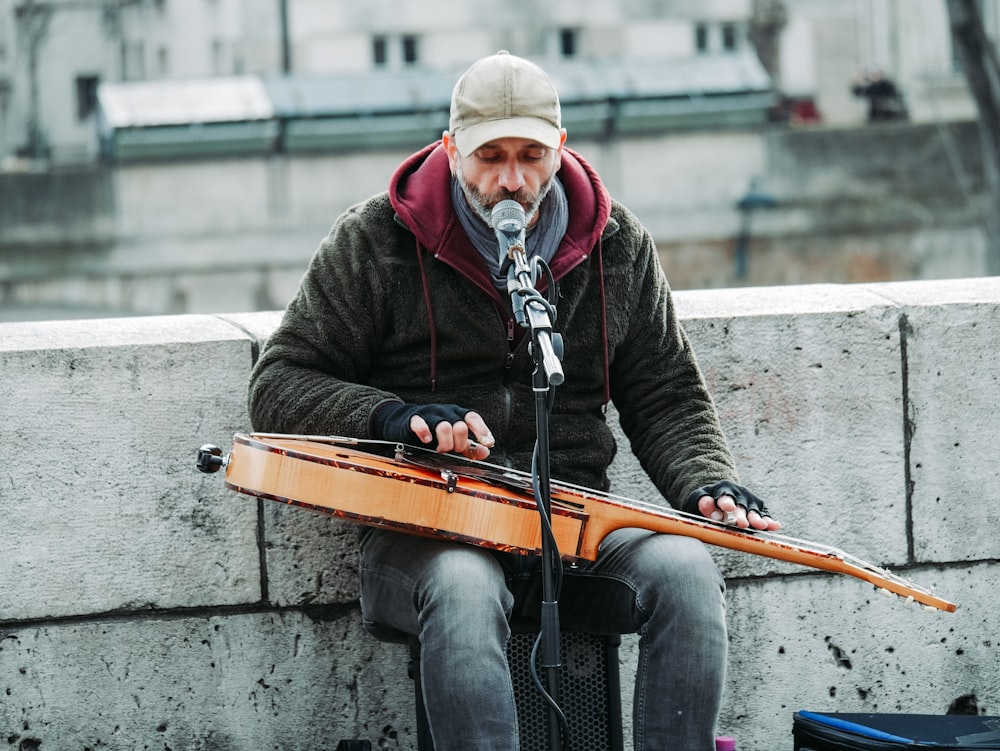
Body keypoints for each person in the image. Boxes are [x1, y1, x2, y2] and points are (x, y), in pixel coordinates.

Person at [248, 50, 781, 751]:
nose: (511, 180)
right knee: (465, 591)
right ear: (450, 150)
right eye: (489, 156)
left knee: (685, 572)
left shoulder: (616, 245)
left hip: (575, 525)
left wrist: (705, 480)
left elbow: (666, 387)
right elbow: (280, 383)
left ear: (561, 149)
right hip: (432, 533)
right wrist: (395, 416)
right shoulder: (373, 240)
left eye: (531, 155)